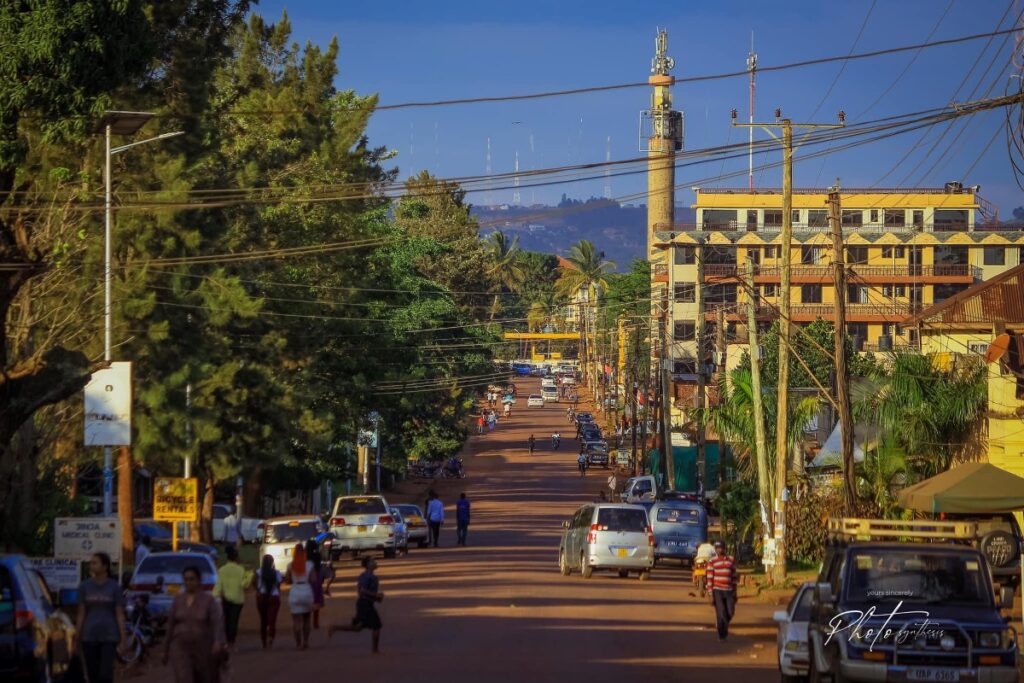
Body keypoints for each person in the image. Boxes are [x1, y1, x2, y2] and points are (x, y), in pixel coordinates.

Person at [163, 565, 226, 683]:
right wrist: (165, 650)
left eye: (192, 579)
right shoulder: (178, 600)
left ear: (199, 580)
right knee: (184, 677)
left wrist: (218, 642)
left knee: (206, 678)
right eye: (186, 579)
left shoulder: (208, 600)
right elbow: (170, 625)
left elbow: (217, 622)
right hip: (181, 647)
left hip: (204, 648)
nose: (188, 582)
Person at [77, 552, 127, 683]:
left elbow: (119, 613)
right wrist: (77, 636)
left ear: (105, 566)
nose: (91, 566)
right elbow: (81, 613)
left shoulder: (114, 587)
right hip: (89, 635)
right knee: (92, 674)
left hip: (109, 636)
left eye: (95, 563)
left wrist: (123, 637)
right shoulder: (84, 587)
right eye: (90, 563)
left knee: (105, 675)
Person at [327, 557, 384, 653]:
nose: (375, 563)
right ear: (368, 565)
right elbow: (362, 590)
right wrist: (376, 595)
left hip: (365, 603)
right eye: (372, 561)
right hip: (365, 604)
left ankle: (335, 627)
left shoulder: (367, 576)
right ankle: (375, 650)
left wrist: (377, 598)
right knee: (376, 626)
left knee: (358, 627)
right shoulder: (368, 576)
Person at [213, 545, 247, 651]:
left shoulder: (222, 570)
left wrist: (214, 596)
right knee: (234, 621)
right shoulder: (240, 569)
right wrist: (250, 576)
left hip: (226, 598)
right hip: (238, 599)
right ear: (236, 558)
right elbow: (244, 585)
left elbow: (218, 585)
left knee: (227, 621)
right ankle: (232, 643)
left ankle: (228, 643)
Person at [706, 541, 739, 640]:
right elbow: (709, 578)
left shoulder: (731, 560)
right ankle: (722, 634)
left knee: (730, 612)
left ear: (724, 548)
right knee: (721, 612)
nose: (719, 550)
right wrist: (710, 594)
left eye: (721, 548)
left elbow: (733, 577)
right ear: (715, 550)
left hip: (729, 590)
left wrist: (735, 592)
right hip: (717, 590)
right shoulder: (712, 561)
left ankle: (722, 625)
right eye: (717, 548)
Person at [284, 543, 314, 649]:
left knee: (296, 620)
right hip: (306, 591)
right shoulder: (309, 564)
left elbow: (287, 581)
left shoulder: (290, 565)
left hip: (295, 592)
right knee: (306, 619)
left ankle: (298, 644)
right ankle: (306, 642)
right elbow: (313, 580)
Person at [251, 554, 282, 650]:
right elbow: (278, 586)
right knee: (272, 621)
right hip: (274, 597)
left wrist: (258, 590)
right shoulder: (277, 573)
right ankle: (270, 639)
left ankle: (264, 642)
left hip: (262, 597)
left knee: (263, 621)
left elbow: (253, 582)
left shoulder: (258, 572)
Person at [305, 540, 325, 630]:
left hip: (306, 579)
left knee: (308, 601)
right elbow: (320, 567)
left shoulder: (304, 556)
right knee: (316, 600)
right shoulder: (317, 555)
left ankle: (306, 621)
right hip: (316, 577)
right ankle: (315, 623)